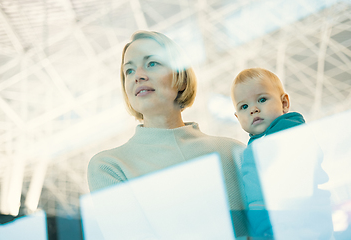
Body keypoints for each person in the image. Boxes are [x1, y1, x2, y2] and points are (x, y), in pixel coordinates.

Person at [87, 30, 248, 237]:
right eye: (129, 71)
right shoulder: (109, 167)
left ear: (180, 78)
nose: (138, 76)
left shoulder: (233, 152)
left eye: (152, 63)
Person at [230, 67, 333, 239]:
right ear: (237, 117)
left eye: (262, 99)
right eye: (244, 106)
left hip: (288, 226)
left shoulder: (287, 135)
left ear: (284, 103)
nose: (253, 109)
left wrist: (263, 230)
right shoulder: (260, 145)